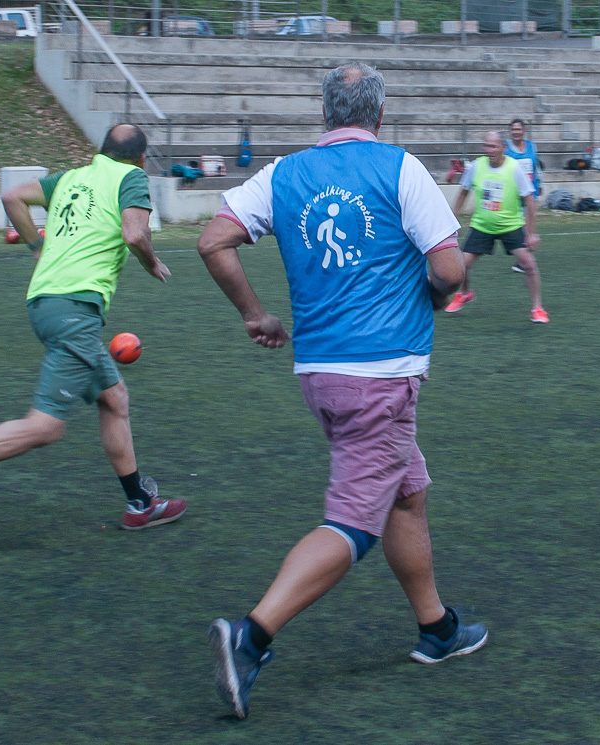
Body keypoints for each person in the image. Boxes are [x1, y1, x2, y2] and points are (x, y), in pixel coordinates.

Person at [196, 62, 488, 721]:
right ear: (378, 114)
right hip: (380, 375)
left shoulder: (283, 174)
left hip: (322, 372)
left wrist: (255, 314)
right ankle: (252, 634)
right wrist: (436, 294)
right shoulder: (400, 168)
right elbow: (447, 266)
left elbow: (214, 241)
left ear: (326, 113)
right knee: (355, 519)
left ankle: (436, 628)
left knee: (406, 495)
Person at [0, 123, 186, 543]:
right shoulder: (130, 178)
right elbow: (134, 232)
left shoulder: (72, 177)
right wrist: (150, 262)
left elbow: (12, 196)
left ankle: (139, 504)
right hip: (75, 309)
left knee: (114, 399)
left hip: (46, 301)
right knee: (46, 427)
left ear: (101, 150)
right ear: (142, 160)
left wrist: (35, 246)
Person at [445, 130, 549, 324]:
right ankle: (465, 293)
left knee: (529, 264)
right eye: (486, 145)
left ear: (503, 147)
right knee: (462, 265)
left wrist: (531, 233)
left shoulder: (514, 168)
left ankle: (537, 308)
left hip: (511, 225)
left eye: (493, 146)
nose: (489, 150)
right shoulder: (476, 166)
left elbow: (529, 199)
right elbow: (462, 193)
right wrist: (453, 221)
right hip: (482, 226)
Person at [504, 118, 543, 274]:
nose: (516, 132)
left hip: (529, 193)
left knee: (529, 227)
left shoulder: (532, 147)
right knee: (518, 228)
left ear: (524, 131)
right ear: (510, 131)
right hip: (513, 195)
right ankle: (522, 258)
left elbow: (536, 169)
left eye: (518, 129)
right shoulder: (506, 149)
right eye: (513, 129)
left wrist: (539, 186)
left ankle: (522, 262)